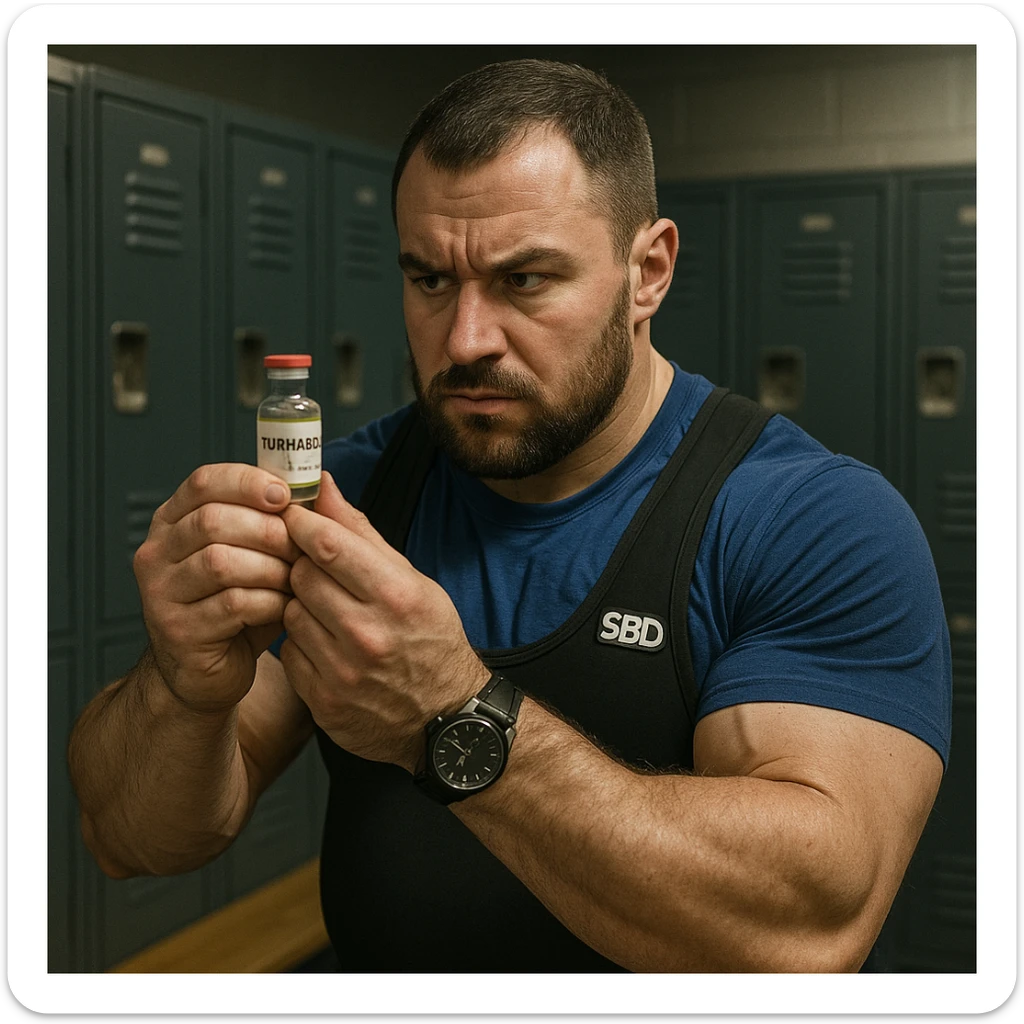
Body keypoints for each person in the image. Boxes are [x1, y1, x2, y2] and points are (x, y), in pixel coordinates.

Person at [67, 59, 951, 974]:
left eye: (524, 280)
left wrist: (453, 714)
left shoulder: (810, 522)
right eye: (429, 280)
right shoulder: (357, 495)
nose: (464, 340)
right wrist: (183, 687)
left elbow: (808, 930)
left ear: (647, 273)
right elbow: (132, 840)